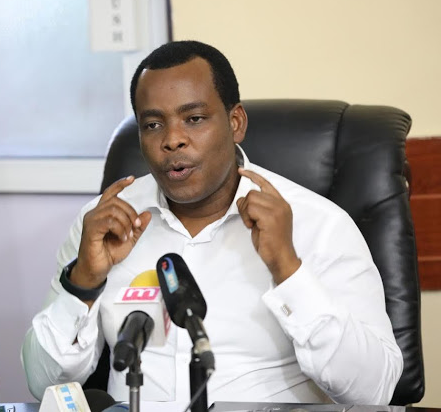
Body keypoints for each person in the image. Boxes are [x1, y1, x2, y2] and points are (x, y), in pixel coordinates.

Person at [21, 41, 403, 405]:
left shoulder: (318, 225)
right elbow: (42, 384)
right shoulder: (104, 225)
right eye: (153, 124)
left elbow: (375, 391)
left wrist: (288, 269)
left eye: (194, 119)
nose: (173, 140)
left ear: (236, 123)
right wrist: (85, 281)